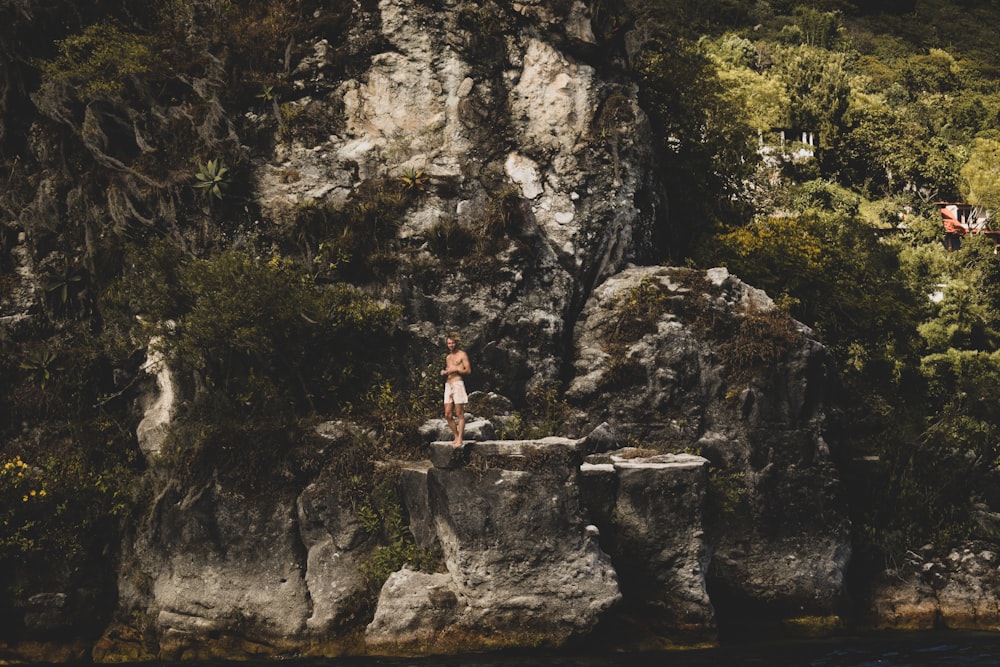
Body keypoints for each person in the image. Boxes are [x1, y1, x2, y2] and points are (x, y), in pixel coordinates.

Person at [440, 333, 471, 447]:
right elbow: (449, 370)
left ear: (456, 343)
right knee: (447, 414)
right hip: (448, 384)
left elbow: (467, 370)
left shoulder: (462, 355)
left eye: (452, 343)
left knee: (459, 413)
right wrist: (445, 372)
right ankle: (456, 436)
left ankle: (460, 439)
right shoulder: (448, 357)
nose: (451, 345)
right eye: (449, 343)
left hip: (458, 384)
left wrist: (457, 369)